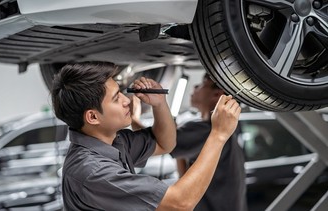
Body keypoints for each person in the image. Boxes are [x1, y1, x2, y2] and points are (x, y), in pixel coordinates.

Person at [51, 61, 241, 210]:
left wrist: (159, 104)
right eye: (117, 98)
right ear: (92, 117)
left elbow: (165, 143)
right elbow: (180, 204)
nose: (127, 100)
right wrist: (218, 135)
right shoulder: (92, 171)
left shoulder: (115, 142)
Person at [170, 74, 247, 211]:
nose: (194, 87)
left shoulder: (206, 131)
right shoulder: (224, 132)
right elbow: (183, 174)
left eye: (202, 84)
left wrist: (137, 117)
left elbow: (158, 143)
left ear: (218, 94)